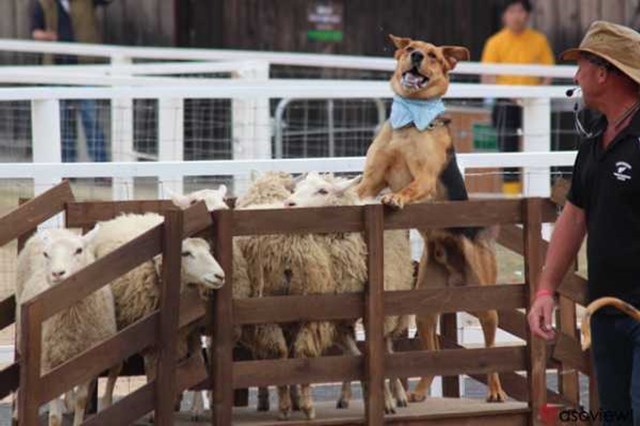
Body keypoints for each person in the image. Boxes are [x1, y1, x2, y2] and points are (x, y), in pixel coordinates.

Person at [527, 21, 640, 425]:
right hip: (607, 312)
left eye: (582, 65)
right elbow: (574, 217)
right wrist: (545, 289)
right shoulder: (594, 143)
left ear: (604, 72)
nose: (576, 76)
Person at [480, 0, 555, 195]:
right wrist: (508, 94)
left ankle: (537, 197)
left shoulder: (539, 40)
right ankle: (511, 199)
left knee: (538, 149)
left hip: (533, 104)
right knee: (508, 152)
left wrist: (538, 94)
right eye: (511, 11)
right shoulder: (495, 42)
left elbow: (549, 72)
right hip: (506, 103)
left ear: (528, 15)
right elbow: (487, 76)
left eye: (520, 10)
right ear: (504, 15)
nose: (516, 15)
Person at [31, 0, 110, 163]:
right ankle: (66, 166)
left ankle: (101, 166)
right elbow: (34, 31)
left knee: (90, 117)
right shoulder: (43, 3)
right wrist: (49, 36)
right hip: (56, 68)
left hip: (84, 66)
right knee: (61, 121)